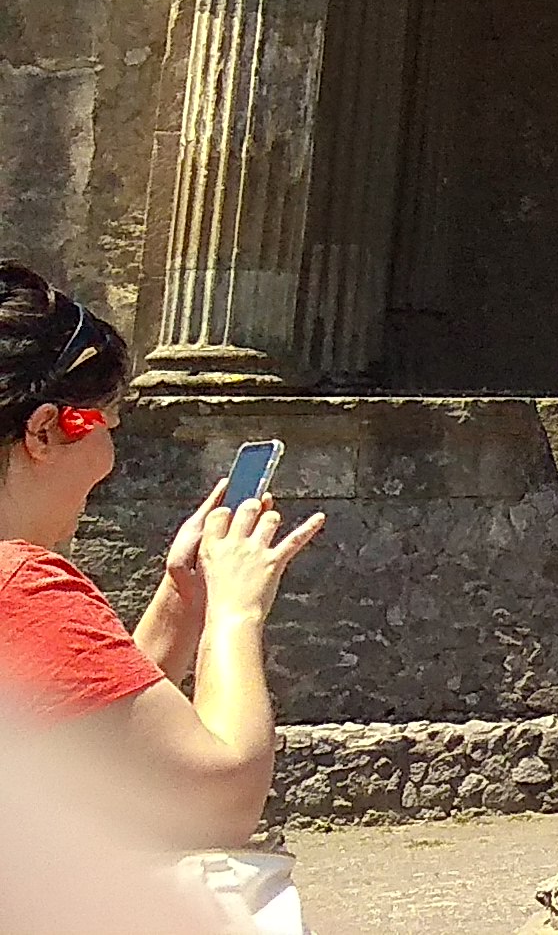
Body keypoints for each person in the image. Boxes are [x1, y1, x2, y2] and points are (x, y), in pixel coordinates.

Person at [0, 262, 324, 854]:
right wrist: (234, 612)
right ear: (45, 430)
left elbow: (92, 726)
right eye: (107, 425)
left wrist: (182, 602)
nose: (109, 459)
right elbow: (218, 801)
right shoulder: (22, 587)